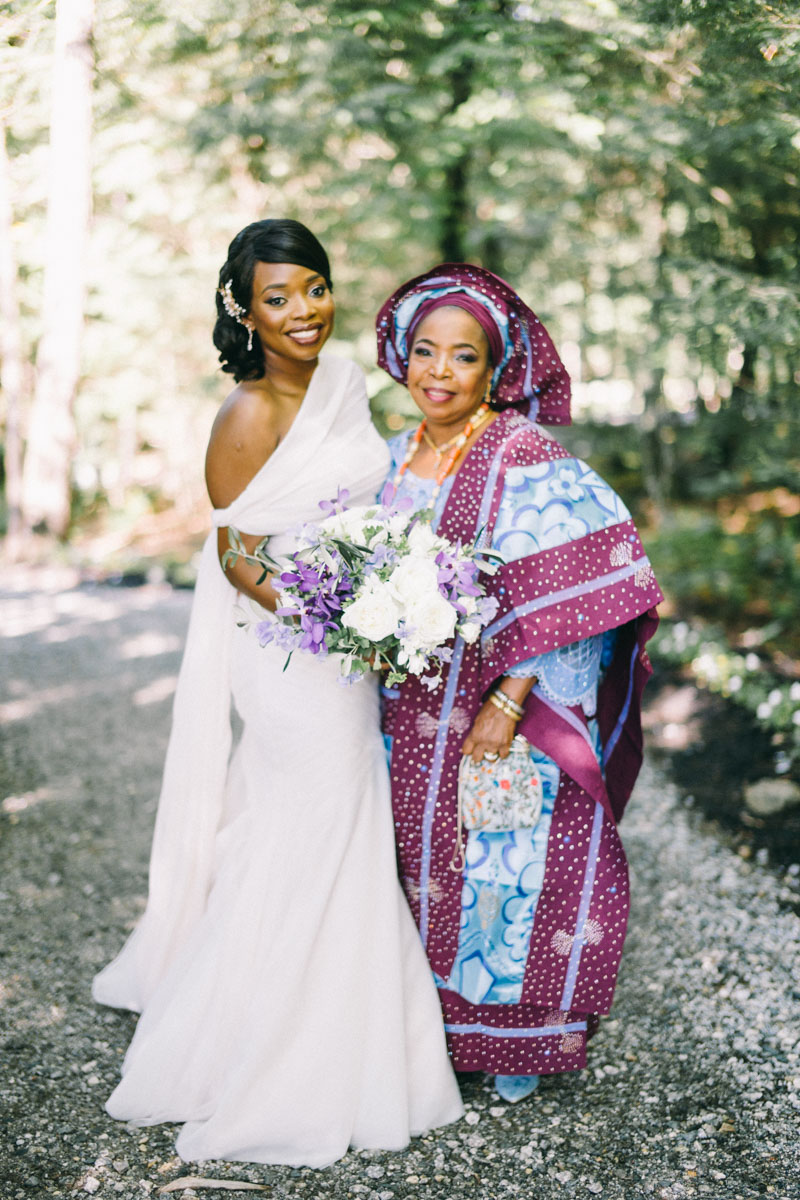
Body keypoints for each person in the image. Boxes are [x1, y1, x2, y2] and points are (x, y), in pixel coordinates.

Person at [92, 221, 462, 1166]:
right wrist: (333, 612)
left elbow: (370, 502)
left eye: (315, 288)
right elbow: (233, 552)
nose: (303, 312)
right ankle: (259, 1058)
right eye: (278, 297)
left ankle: (353, 1036)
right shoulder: (245, 415)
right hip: (288, 651)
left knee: (340, 825)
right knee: (317, 819)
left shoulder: (343, 383)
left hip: (351, 641)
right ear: (244, 310)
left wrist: (393, 591)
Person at [375, 263, 663, 1103]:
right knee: (418, 868)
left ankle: (520, 1038)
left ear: (494, 369)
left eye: (462, 357)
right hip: (409, 712)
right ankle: (433, 1035)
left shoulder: (524, 453)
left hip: (503, 712)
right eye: (424, 351)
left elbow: (593, 584)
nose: (438, 371)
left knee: (507, 868)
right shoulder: (395, 457)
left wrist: (508, 701)